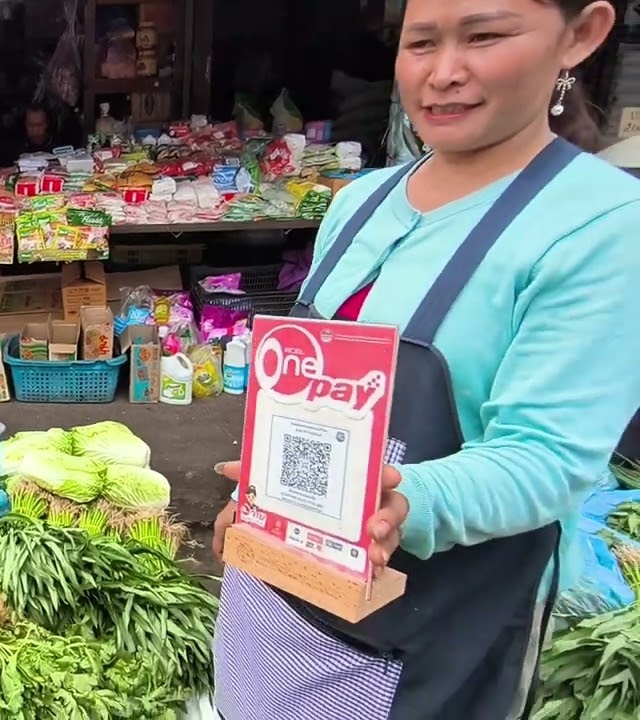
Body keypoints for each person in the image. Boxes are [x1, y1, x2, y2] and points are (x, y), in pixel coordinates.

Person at [210, 1, 640, 718]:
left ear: (582, 36)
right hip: (273, 596)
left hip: (428, 628)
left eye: (484, 36)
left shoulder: (602, 225)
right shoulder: (362, 202)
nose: (444, 74)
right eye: (422, 43)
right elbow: (311, 396)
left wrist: (401, 502)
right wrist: (261, 498)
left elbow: (545, 458)